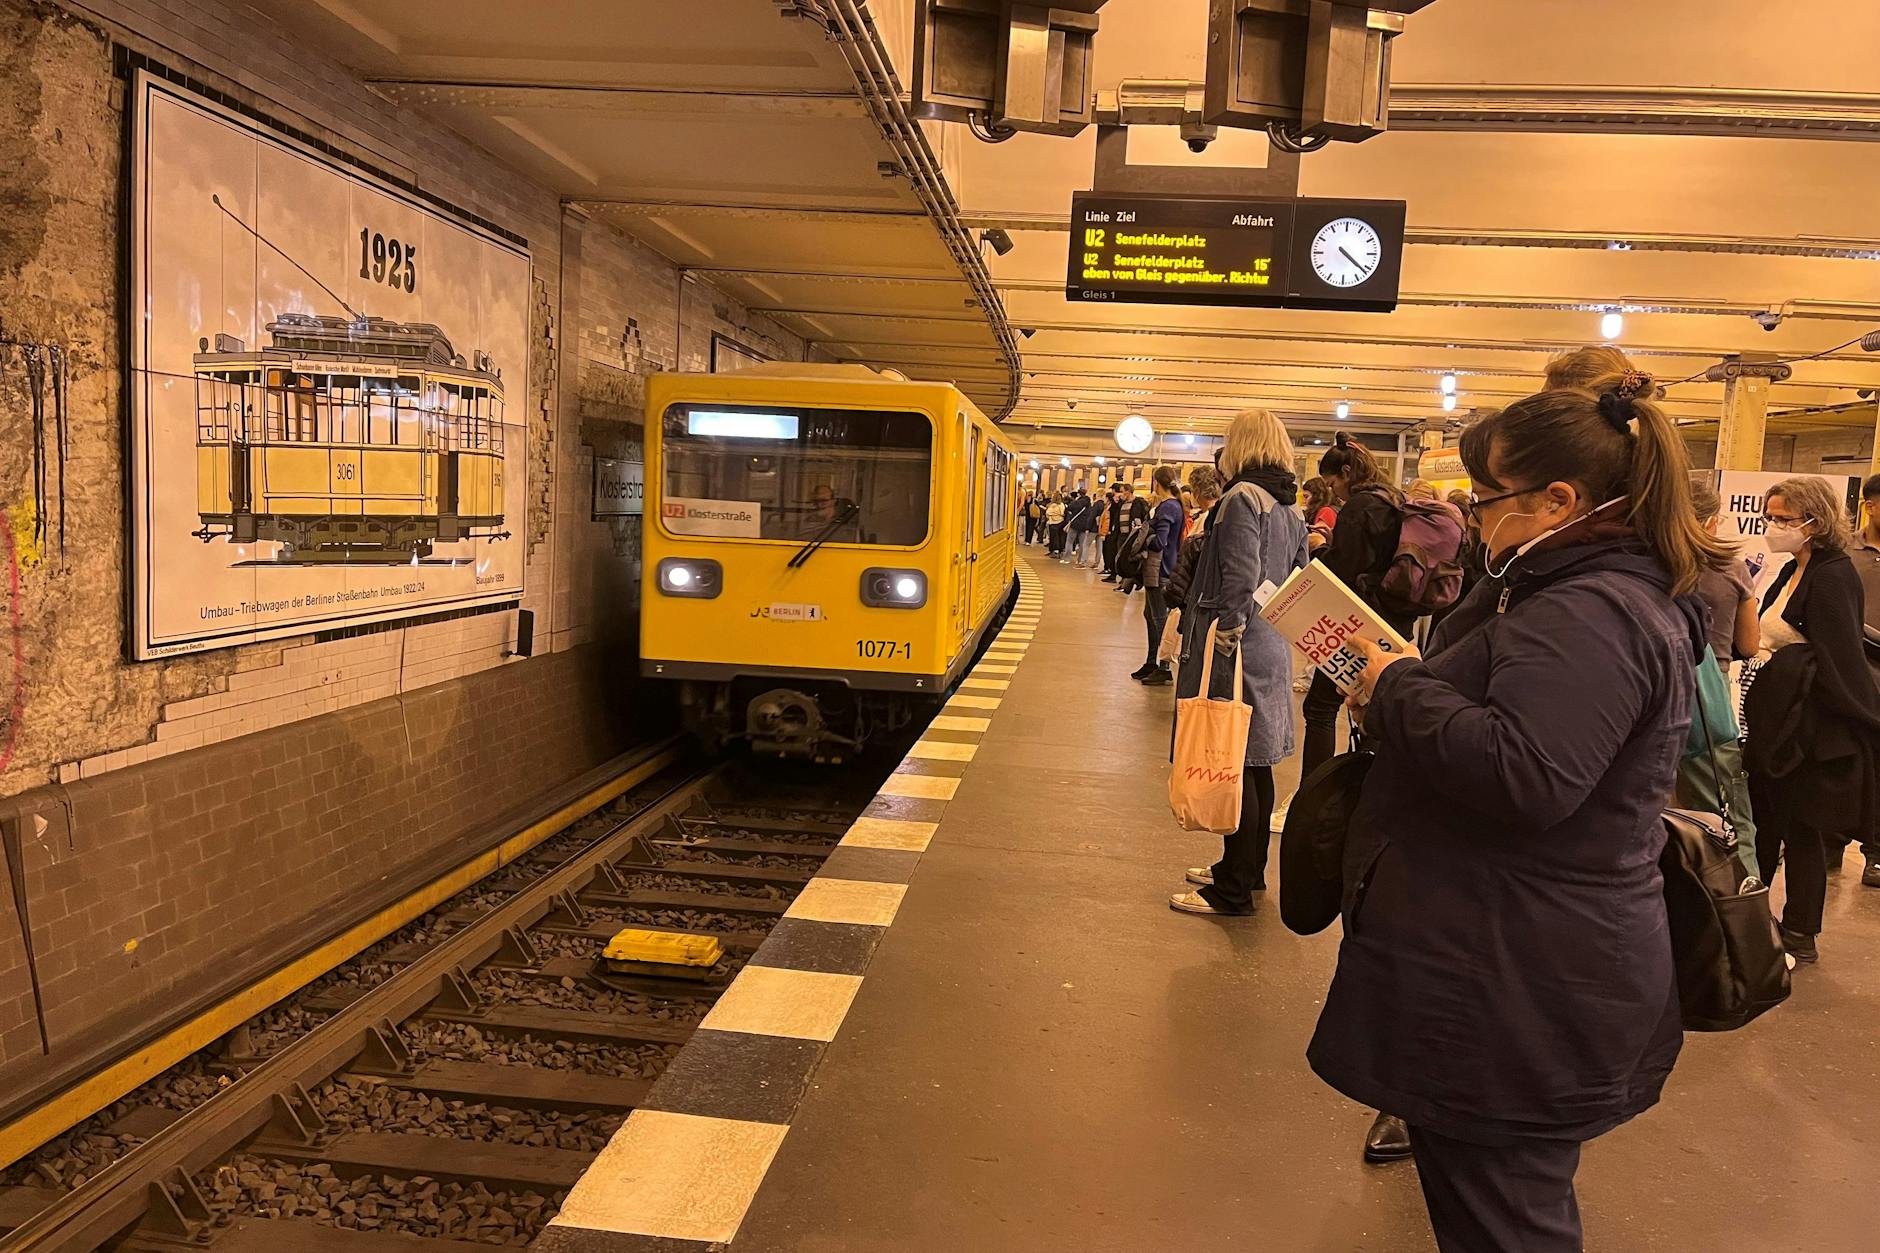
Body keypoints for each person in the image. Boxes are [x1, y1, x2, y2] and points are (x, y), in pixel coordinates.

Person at [1311, 379, 1731, 1253]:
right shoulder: (1589, 592)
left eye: (1487, 498)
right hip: (1517, 959)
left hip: (1513, 977)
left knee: (1507, 1218)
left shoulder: (1586, 613)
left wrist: (1394, 687)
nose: (1474, 515)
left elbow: (1526, 773)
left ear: (1560, 501)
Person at [1168, 412, 1309, 915]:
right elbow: (1298, 578)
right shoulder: (1290, 507)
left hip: (1237, 644)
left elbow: (1239, 577)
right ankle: (1246, 873)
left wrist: (1224, 634)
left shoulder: (1240, 500)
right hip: (1271, 642)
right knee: (1257, 765)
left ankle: (1231, 891)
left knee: (1234, 762)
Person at [1745, 477, 1880, 949]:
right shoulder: (1791, 568)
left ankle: (1799, 929)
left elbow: (1838, 655)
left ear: (1813, 521)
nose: (1773, 527)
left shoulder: (1832, 574)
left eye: (1783, 519)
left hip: (1808, 724)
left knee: (1802, 828)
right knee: (1767, 821)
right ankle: (1755, 921)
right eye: (1770, 517)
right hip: (1778, 713)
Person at [1301, 434, 1409, 778]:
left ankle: (1311, 796)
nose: (1333, 491)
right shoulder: (1394, 499)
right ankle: (1368, 794)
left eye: (1333, 482)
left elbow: (1341, 574)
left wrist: (1319, 547)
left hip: (1356, 627)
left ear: (1346, 471)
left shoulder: (1360, 507)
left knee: (1319, 707)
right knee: (1375, 710)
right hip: (1393, 623)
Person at [1672, 480, 1761, 875]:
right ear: (1710, 521)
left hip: (1644, 694)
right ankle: (1743, 908)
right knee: (1725, 813)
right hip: (1707, 696)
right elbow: (1750, 642)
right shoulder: (1729, 566)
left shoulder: (1648, 558)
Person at [1134, 467, 1185, 686]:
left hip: (1159, 569)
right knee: (1150, 615)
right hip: (1164, 567)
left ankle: (1163, 666)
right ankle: (1151, 661)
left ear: (1157, 482)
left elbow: (1160, 541)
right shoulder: (1176, 506)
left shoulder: (1167, 507)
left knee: (1158, 619)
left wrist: (1144, 542)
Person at [1068, 489, 1100, 567]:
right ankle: (1092, 562)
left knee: (1071, 541)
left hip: (1079, 525)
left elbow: (1069, 507)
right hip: (1088, 525)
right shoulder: (1089, 503)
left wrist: (1088, 528)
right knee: (1084, 544)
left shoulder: (1078, 502)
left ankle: (1071, 559)